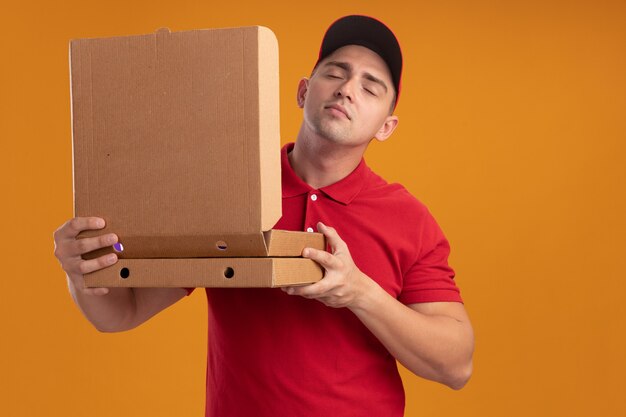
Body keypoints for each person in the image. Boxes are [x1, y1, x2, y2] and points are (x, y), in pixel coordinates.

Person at [53, 15, 474, 417]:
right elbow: (123, 313)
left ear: (387, 126)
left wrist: (360, 292)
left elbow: (455, 366)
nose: (348, 88)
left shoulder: (409, 219)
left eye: (371, 86)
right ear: (303, 92)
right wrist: (82, 273)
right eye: (336, 71)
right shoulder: (225, 192)